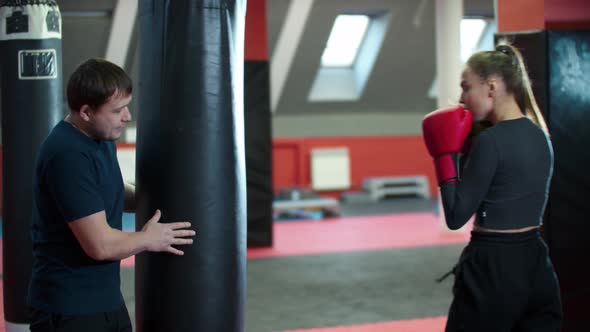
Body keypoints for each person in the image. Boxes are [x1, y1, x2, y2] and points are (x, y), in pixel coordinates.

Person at [27, 58, 196, 332]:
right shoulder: (67, 155)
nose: (127, 116)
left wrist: (165, 197)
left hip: (106, 300)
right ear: (85, 112)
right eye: (117, 110)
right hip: (68, 309)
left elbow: (114, 192)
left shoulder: (100, 139)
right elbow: (100, 245)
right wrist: (149, 238)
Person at [422, 44, 562, 331]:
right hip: (536, 263)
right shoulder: (540, 135)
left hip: (493, 267)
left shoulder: (491, 141)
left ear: (492, 86)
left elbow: (455, 216)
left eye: (466, 87)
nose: (462, 99)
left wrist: (444, 156)